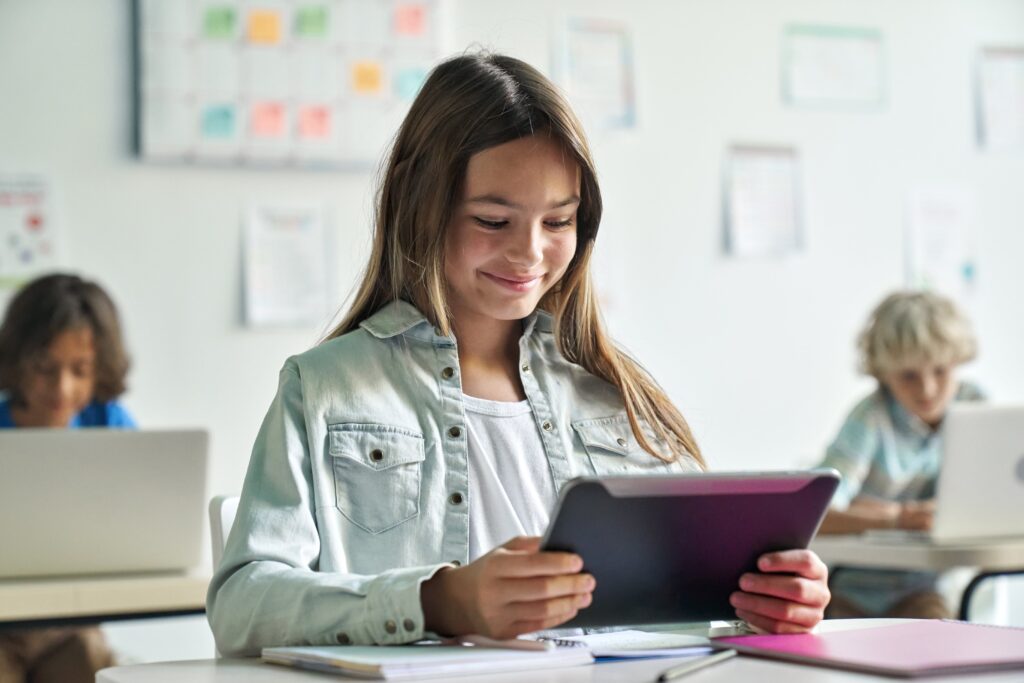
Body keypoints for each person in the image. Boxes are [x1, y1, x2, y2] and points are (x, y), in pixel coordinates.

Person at [207, 52, 830, 657]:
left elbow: (697, 611)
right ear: (420, 202)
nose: (530, 254)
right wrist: (437, 602)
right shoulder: (324, 390)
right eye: (493, 220)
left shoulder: (613, 397)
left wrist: (762, 604)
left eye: (558, 222)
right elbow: (243, 603)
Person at [0, 272, 134, 682]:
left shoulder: (108, 424)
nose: (62, 387)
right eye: (45, 368)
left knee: (92, 660)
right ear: (18, 362)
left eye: (80, 370)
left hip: (72, 624)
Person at [816, 290, 982, 619]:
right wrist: (901, 518)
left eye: (940, 371)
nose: (928, 389)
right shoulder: (870, 417)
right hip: (852, 589)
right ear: (884, 373)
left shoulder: (975, 407)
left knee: (942, 632)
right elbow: (819, 511)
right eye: (908, 375)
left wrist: (869, 511)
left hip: (923, 590)